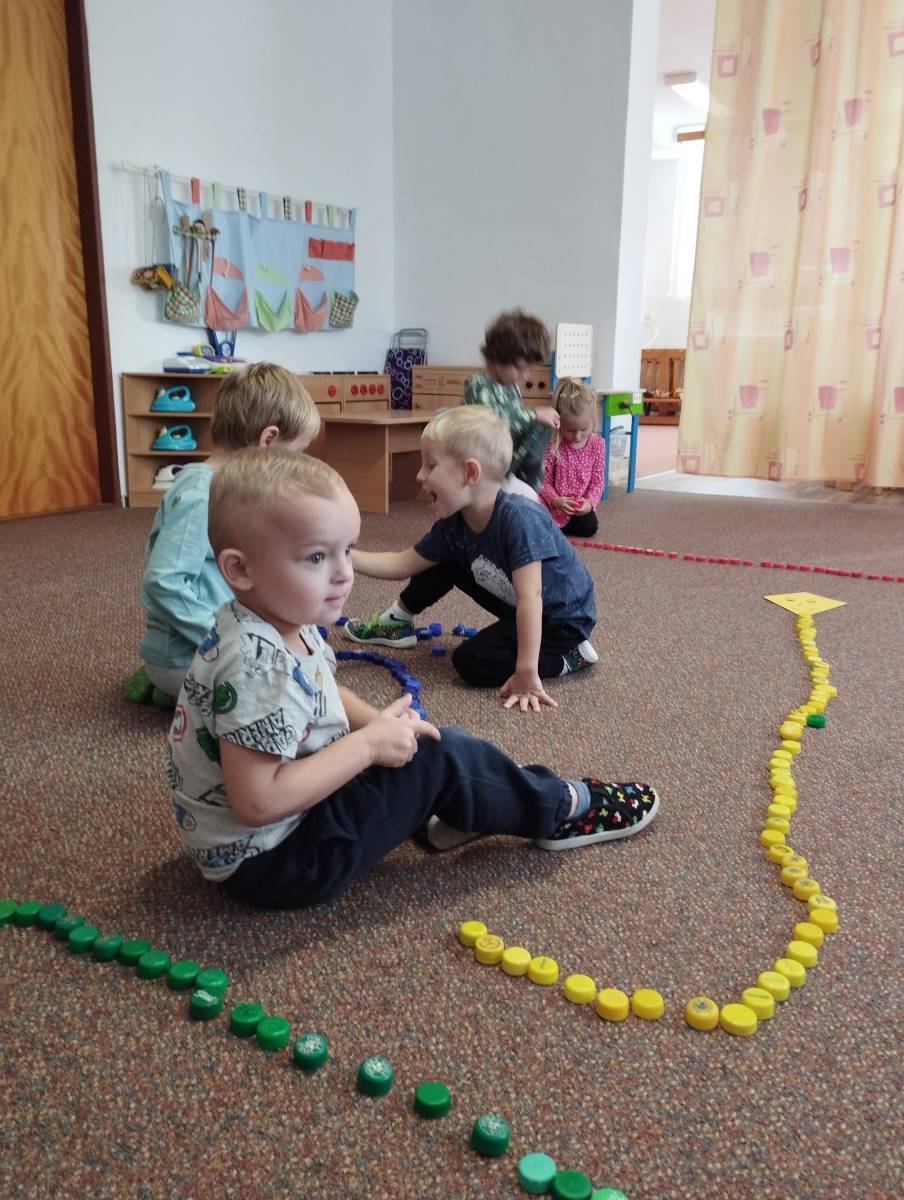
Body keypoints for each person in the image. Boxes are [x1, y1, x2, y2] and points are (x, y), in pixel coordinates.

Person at [165, 447, 659, 908]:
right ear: (241, 569)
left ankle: (471, 807)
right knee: (441, 757)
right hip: (280, 864)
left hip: (278, 837)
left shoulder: (279, 619)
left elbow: (322, 692)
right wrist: (366, 747)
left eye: (347, 550)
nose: (343, 573)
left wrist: (376, 725)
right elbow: (258, 801)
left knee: (418, 746)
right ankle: (561, 808)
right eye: (316, 557)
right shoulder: (258, 666)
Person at [344, 407, 598, 712]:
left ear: (470, 473)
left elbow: (531, 598)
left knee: (472, 662)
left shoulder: (520, 519)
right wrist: (345, 556)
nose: (420, 476)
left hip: (561, 617)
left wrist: (527, 671)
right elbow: (403, 563)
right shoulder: (454, 523)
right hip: (519, 599)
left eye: (430, 465)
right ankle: (397, 621)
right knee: (442, 558)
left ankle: (570, 657)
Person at [128, 363, 320, 706]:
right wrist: (226, 640)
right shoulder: (201, 496)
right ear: (268, 440)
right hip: (189, 657)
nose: (296, 467)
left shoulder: (233, 489)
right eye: (296, 455)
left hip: (212, 647)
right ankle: (175, 686)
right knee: (296, 690)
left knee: (308, 649)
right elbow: (163, 583)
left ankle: (178, 688)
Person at [460, 309, 559, 499]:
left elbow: (516, 423)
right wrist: (534, 415)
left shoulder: (510, 386)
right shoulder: (479, 385)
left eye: (529, 369)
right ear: (497, 357)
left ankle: (527, 490)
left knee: (542, 427)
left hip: (505, 466)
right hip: (482, 468)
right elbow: (495, 423)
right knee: (538, 423)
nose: (525, 376)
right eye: (520, 368)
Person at [538, 378, 605, 538]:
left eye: (584, 429)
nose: (577, 436)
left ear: (593, 421)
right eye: (570, 430)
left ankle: (557, 527)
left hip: (578, 507)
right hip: (554, 504)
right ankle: (552, 525)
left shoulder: (598, 444)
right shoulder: (554, 443)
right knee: (536, 517)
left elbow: (597, 482)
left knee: (589, 527)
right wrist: (555, 500)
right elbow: (544, 481)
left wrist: (588, 503)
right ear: (559, 422)